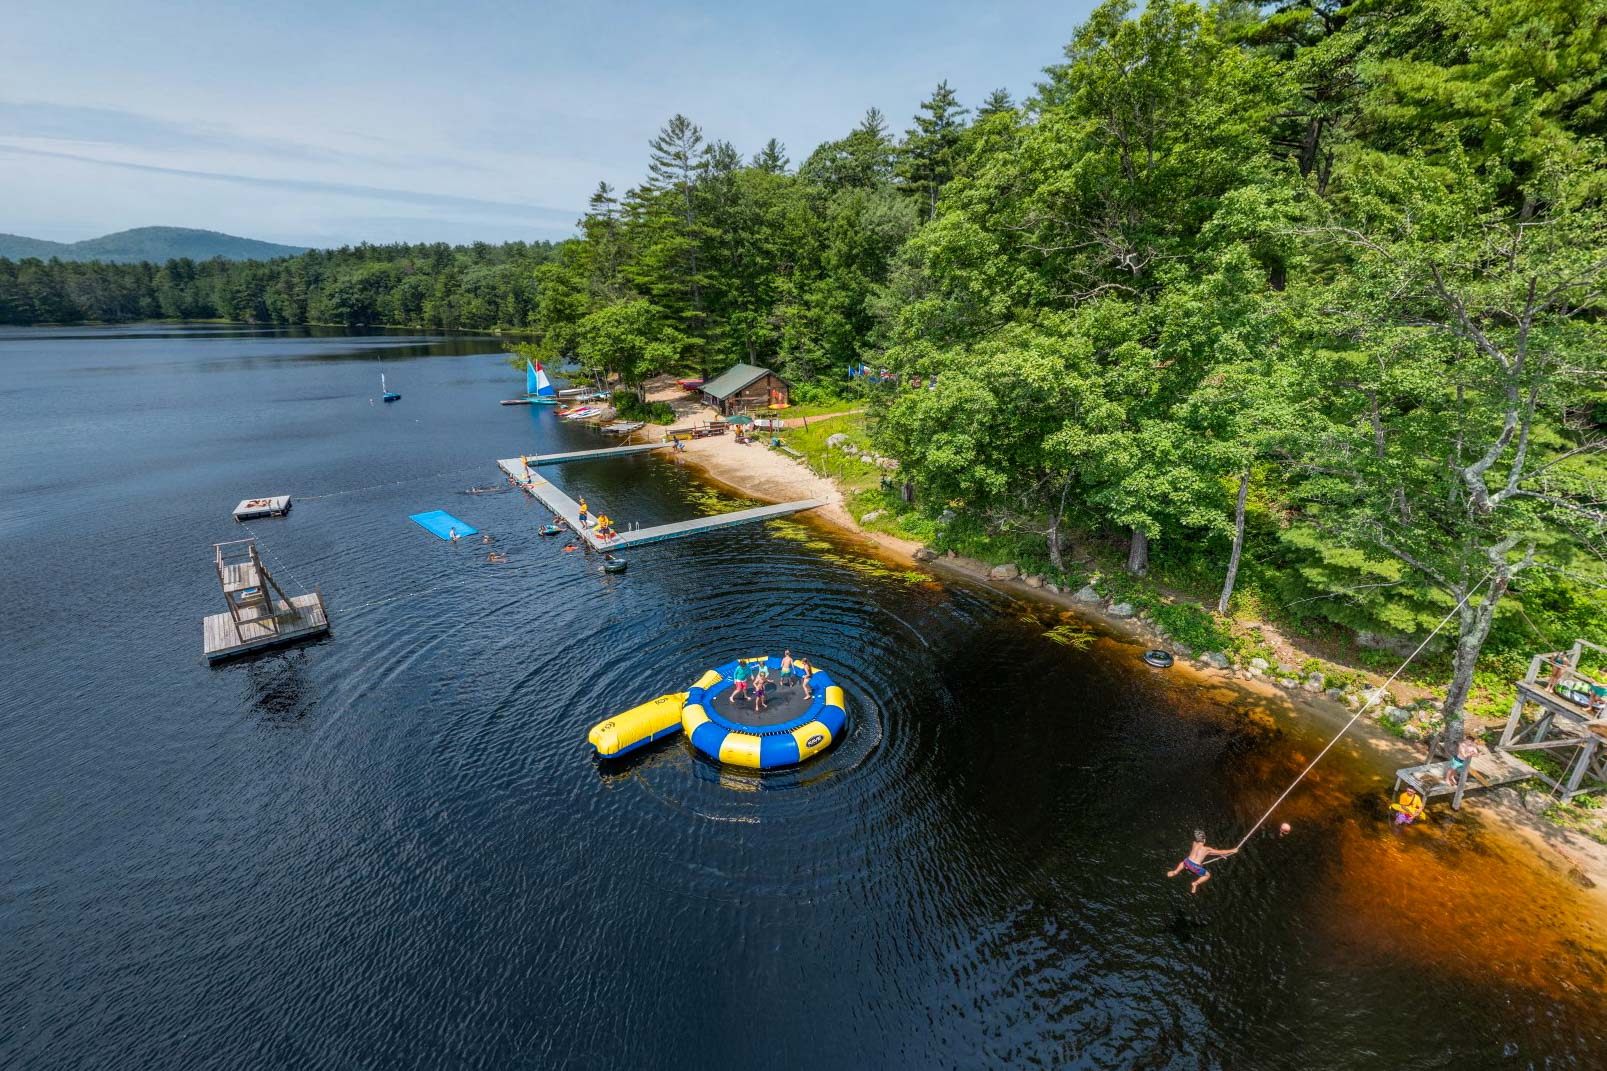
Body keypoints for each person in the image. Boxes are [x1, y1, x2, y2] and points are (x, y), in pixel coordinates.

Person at [1166, 830, 1238, 894]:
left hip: (1187, 862)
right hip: (1195, 867)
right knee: (1207, 875)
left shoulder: (1194, 844)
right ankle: (1195, 883)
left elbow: (1209, 853)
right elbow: (1221, 851)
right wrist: (1232, 850)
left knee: (1183, 863)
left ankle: (1175, 871)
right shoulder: (1207, 849)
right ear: (1204, 840)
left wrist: (1219, 854)